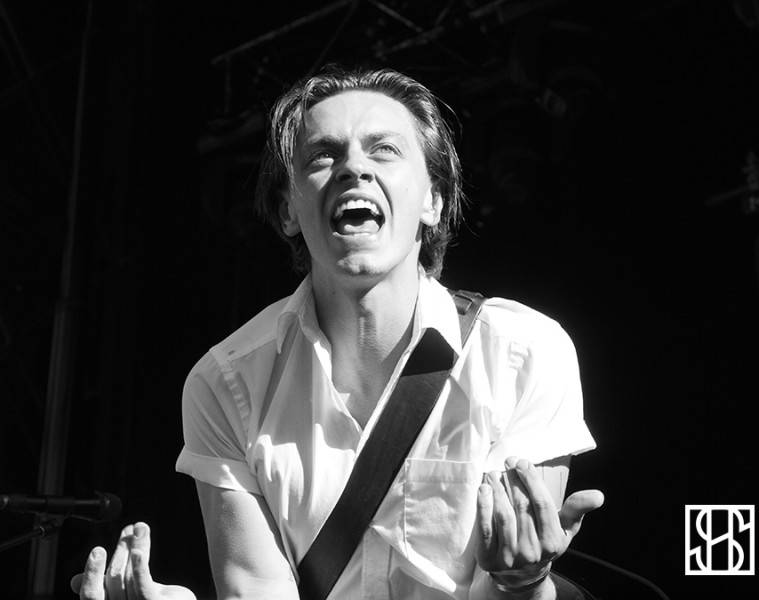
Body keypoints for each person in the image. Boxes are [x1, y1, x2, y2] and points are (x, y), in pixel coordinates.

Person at [73, 66, 604, 600]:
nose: (354, 168)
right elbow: (256, 589)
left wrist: (522, 581)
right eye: (323, 155)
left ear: (433, 201)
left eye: (384, 150)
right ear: (287, 209)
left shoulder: (524, 353)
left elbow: (516, 577)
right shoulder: (225, 384)